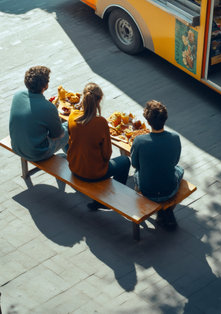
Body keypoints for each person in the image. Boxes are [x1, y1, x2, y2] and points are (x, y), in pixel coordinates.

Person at [67, 82, 131, 210]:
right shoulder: (101, 122)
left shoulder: (72, 116)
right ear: (99, 100)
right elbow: (107, 154)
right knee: (124, 161)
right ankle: (112, 198)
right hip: (94, 173)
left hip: (74, 167)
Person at [131, 100, 184, 229]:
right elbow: (175, 162)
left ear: (148, 122)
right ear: (165, 119)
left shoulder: (139, 141)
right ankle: (167, 211)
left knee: (136, 174)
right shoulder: (175, 138)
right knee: (180, 169)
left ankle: (143, 209)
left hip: (147, 190)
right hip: (169, 190)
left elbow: (135, 164)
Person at [9, 66, 69, 162]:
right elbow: (58, 135)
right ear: (46, 85)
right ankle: (73, 158)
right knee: (69, 126)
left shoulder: (18, 95)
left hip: (16, 146)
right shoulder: (48, 107)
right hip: (37, 153)